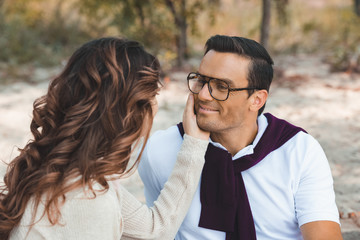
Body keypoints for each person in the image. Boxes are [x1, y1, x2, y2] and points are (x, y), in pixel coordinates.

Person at [0, 37, 210, 240]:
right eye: (152, 98)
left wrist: (194, 144)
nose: (154, 109)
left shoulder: (69, 170)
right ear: (128, 111)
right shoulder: (89, 199)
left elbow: (154, 230)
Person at [138, 35, 343, 240]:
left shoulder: (298, 151)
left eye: (222, 87)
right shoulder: (160, 150)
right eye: (202, 80)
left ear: (256, 100)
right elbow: (157, 232)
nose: (204, 95)